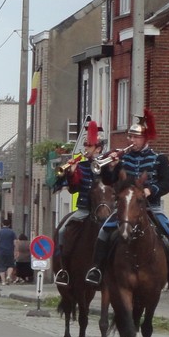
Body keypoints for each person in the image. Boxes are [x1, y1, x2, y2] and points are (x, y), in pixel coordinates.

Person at [85, 110, 169, 298]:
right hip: (125, 207)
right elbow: (110, 180)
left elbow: (168, 182)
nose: (132, 140)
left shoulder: (158, 159)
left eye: (136, 137)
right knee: (104, 232)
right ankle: (97, 270)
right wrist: (110, 168)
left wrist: (150, 189)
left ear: (145, 139)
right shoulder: (122, 157)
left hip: (151, 206)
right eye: (130, 136)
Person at [52, 120, 105, 286]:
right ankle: (63, 270)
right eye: (86, 146)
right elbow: (74, 190)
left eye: (89, 146)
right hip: (83, 209)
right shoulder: (80, 165)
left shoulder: (106, 164)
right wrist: (71, 175)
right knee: (61, 232)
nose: (86, 149)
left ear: (98, 148)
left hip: (103, 210)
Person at [0, 219, 16, 285]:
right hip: (9, 251)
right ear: (9, 224)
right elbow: (15, 242)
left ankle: (3, 281)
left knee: (1, 267)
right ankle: (8, 276)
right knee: (10, 265)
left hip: (0, 251)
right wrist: (16, 250)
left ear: (2, 224)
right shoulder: (12, 232)